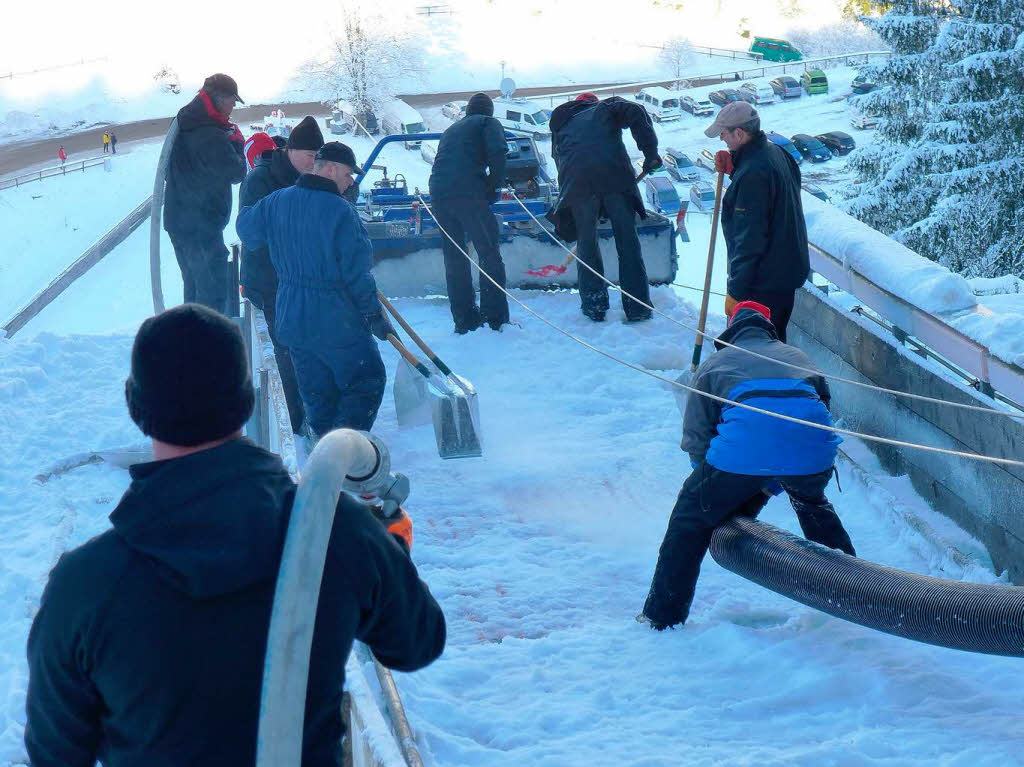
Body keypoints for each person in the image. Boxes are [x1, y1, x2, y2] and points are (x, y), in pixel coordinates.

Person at [24, 303, 446, 766]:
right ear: (246, 401)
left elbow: (55, 753)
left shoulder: (84, 585)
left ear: (135, 406)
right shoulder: (335, 535)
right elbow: (417, 642)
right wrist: (388, 552)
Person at [640, 301, 856, 630]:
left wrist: (709, 487)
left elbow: (697, 435)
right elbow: (817, 411)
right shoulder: (798, 357)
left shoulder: (716, 362)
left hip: (746, 447)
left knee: (689, 518)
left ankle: (661, 616)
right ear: (769, 329)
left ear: (731, 329)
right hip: (814, 451)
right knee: (810, 503)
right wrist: (775, 478)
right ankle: (855, 596)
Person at [236, 142, 395, 438]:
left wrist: (253, 194)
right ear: (331, 168)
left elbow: (247, 231)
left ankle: (325, 456)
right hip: (336, 320)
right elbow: (357, 274)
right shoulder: (342, 213)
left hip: (292, 317)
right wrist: (373, 314)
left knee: (318, 397)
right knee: (367, 380)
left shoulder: (276, 201)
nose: (351, 182)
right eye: (348, 175)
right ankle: (345, 458)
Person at [238, 116, 325, 435]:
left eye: (318, 157)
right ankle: (293, 420)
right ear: (291, 150)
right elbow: (251, 234)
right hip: (268, 281)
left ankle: (314, 407)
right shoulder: (261, 179)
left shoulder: (310, 177)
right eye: (309, 156)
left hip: (301, 280)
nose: (314, 163)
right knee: (287, 346)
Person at [547, 92, 661, 322]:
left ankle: (594, 306)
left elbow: (560, 161)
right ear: (592, 102)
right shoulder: (605, 108)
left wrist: (578, 198)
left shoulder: (562, 123)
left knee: (586, 246)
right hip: (615, 179)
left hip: (577, 187)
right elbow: (636, 111)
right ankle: (637, 307)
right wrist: (651, 154)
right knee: (627, 243)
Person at [705, 100, 808, 342]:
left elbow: (749, 239)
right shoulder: (777, 152)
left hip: (762, 282)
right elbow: (773, 198)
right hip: (785, 272)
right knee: (775, 343)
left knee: (759, 349)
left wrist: (736, 292)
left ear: (739, 133)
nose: (722, 140)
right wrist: (735, 166)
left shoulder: (753, 174)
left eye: (723, 134)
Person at [164, 73, 247, 314]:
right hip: (202, 226)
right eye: (232, 102)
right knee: (212, 297)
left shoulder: (185, 121)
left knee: (193, 288)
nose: (232, 108)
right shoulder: (208, 133)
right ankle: (206, 345)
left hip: (180, 221)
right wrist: (236, 143)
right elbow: (236, 172)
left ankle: (191, 343)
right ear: (221, 99)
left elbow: (169, 171)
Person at [428, 92, 510, 334]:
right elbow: (499, 153)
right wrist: (494, 187)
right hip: (468, 192)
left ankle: (464, 320)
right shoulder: (488, 123)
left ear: (467, 111)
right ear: (489, 111)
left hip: (439, 192)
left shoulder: (451, 130)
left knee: (455, 258)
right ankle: (495, 319)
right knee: (489, 255)